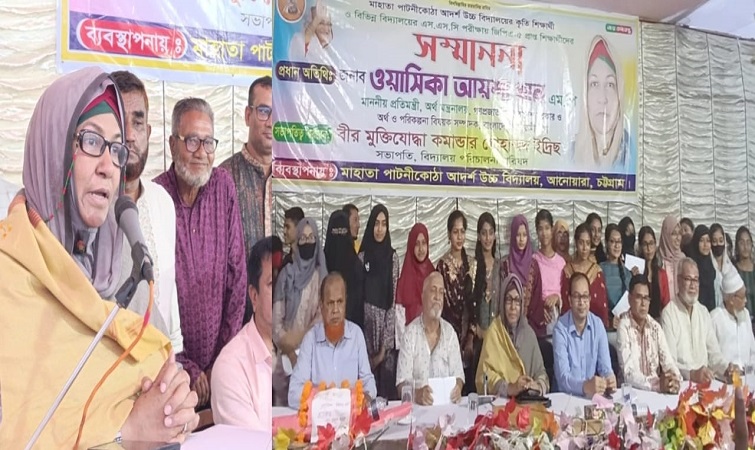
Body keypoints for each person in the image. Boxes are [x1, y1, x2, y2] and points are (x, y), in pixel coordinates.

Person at [0, 67, 198, 447]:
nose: (109, 167)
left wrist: (175, 405)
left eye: (117, 149)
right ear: (54, 151)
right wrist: (125, 433)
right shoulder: (9, 277)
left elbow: (161, 375)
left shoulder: (121, 268)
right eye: (91, 142)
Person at [154, 97, 247, 408]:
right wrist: (185, 366)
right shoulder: (154, 198)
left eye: (208, 142)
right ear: (173, 144)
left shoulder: (223, 186)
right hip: (168, 371)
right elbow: (152, 300)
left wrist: (220, 362)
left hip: (222, 366)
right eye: (192, 140)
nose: (201, 153)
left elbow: (237, 277)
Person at [111, 70, 183, 352]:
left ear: (149, 133)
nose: (129, 135)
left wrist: (174, 353)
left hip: (160, 359)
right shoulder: (90, 208)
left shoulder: (162, 201)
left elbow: (168, 292)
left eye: (138, 122)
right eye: (120, 121)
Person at [211, 237, 273, 431]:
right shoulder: (231, 367)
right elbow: (254, 444)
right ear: (254, 296)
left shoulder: (302, 352)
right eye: (273, 283)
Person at [288, 273, 377, 408]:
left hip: (351, 416)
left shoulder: (356, 335)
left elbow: (368, 381)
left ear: (345, 303)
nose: (335, 310)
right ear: (322, 306)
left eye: (340, 302)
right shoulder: (311, 340)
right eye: (330, 303)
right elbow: (293, 393)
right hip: (320, 416)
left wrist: (366, 397)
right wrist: (323, 397)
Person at [273, 217, 327, 405]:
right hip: (284, 361)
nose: (307, 242)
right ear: (297, 241)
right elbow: (276, 322)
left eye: (311, 237)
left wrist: (300, 343)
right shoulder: (286, 275)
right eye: (303, 238)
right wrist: (290, 351)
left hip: (312, 358)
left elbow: (321, 319)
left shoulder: (321, 278)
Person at [220, 76, 273, 259]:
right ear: (248, 116)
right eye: (264, 111)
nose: (271, 123)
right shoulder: (223, 178)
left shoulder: (290, 178)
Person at [396, 272, 463, 405]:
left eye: (441, 292)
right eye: (433, 290)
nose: (437, 297)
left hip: (446, 410)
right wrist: (416, 394)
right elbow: (401, 385)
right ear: (423, 296)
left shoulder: (450, 333)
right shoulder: (410, 334)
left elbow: (459, 376)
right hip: (417, 411)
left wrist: (458, 388)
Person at [661, 258, 734, 383]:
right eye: (688, 279)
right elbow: (669, 363)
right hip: (682, 384)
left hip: (706, 382)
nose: (693, 285)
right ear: (678, 281)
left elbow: (714, 354)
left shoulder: (703, 312)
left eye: (695, 280)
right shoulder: (669, 313)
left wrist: (726, 369)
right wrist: (691, 374)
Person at [476, 274, 549, 396]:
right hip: (501, 402)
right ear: (502, 302)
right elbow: (483, 376)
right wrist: (509, 388)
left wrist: (537, 386)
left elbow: (541, 373)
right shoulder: (494, 333)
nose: (513, 307)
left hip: (527, 402)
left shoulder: (529, 334)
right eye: (509, 300)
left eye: (517, 301)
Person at [358, 204, 399, 399]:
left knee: (385, 396)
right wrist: (366, 351)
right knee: (365, 396)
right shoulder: (362, 257)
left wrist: (383, 350)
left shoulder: (393, 258)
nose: (380, 229)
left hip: (385, 340)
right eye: (376, 224)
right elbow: (358, 302)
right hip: (365, 336)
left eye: (384, 224)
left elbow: (392, 303)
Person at [553, 273, 616, 397]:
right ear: (570, 300)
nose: (581, 302)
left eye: (585, 296)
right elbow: (563, 379)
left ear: (590, 299)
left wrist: (609, 378)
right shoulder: (560, 329)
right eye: (577, 296)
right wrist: (585, 386)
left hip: (591, 398)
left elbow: (605, 368)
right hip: (566, 398)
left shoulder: (598, 325)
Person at [573, 36, 629, 171]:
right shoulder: (571, 155)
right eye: (594, 84)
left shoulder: (633, 153)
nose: (603, 98)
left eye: (610, 85)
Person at [616, 275, 681, 393]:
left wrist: (674, 378)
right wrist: (657, 385)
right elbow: (628, 373)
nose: (643, 303)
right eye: (639, 297)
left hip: (655, 393)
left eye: (646, 298)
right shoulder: (624, 326)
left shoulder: (655, 327)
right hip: (631, 393)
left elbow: (668, 362)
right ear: (629, 299)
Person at [436, 210, 477, 383]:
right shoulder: (442, 266)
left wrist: (470, 338)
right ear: (448, 235)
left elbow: (475, 305)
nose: (459, 237)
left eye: (462, 232)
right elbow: (440, 307)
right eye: (455, 232)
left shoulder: (473, 264)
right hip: (447, 338)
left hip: (470, 340)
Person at [501, 215, 546, 339]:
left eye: (524, 235)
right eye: (518, 235)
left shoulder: (534, 265)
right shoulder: (505, 265)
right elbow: (502, 299)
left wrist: (527, 327)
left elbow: (537, 299)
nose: (521, 239)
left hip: (530, 329)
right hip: (508, 329)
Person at [561, 223, 610, 327]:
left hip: (594, 327)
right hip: (571, 325)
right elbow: (565, 303)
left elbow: (602, 306)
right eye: (581, 243)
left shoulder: (597, 271)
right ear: (576, 243)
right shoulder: (567, 270)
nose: (584, 248)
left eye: (587, 243)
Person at [324, 210, 364, 329]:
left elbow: (359, 309)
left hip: (351, 332)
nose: (339, 238)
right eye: (336, 232)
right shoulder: (321, 265)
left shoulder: (357, 267)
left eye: (342, 232)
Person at [711, 270, 755, 371]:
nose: (746, 301)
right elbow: (713, 357)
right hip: (725, 377)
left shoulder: (745, 314)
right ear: (731, 299)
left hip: (748, 375)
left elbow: (753, 351)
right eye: (742, 297)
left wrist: (750, 371)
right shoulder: (715, 318)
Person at [533, 209, 566, 337]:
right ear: (537, 232)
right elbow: (532, 294)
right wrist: (539, 309)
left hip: (558, 316)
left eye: (547, 228)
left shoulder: (561, 262)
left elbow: (565, 292)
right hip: (539, 317)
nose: (544, 233)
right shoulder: (534, 260)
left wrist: (557, 298)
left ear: (552, 230)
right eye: (540, 229)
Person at [396, 223, 435, 326]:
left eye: (424, 243)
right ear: (411, 246)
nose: (421, 249)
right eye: (417, 244)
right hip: (410, 334)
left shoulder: (433, 276)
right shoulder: (404, 281)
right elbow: (399, 322)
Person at [600, 224, 635, 326]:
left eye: (619, 241)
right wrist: (609, 320)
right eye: (612, 241)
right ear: (606, 243)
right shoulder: (599, 269)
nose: (616, 245)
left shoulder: (628, 272)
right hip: (606, 325)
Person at [637, 226, 671, 319]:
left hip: (658, 321)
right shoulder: (636, 272)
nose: (649, 248)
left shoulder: (662, 274)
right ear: (640, 247)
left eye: (651, 243)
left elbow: (666, 304)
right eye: (645, 244)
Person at [710, 223, 743, 309]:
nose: (718, 244)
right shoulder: (708, 266)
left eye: (721, 240)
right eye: (714, 241)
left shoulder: (731, 267)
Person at [687, 225, 717, 311]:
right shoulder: (690, 265)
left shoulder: (711, 264)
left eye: (708, 241)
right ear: (696, 242)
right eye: (701, 241)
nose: (705, 245)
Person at [658, 216, 686, 306]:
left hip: (681, 308)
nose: (678, 238)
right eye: (674, 234)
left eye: (679, 233)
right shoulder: (658, 259)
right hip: (663, 308)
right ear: (666, 235)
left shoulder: (683, 259)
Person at [735, 226, 755, 315]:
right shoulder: (733, 271)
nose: (745, 247)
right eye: (742, 243)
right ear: (737, 246)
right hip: (739, 319)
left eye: (748, 242)